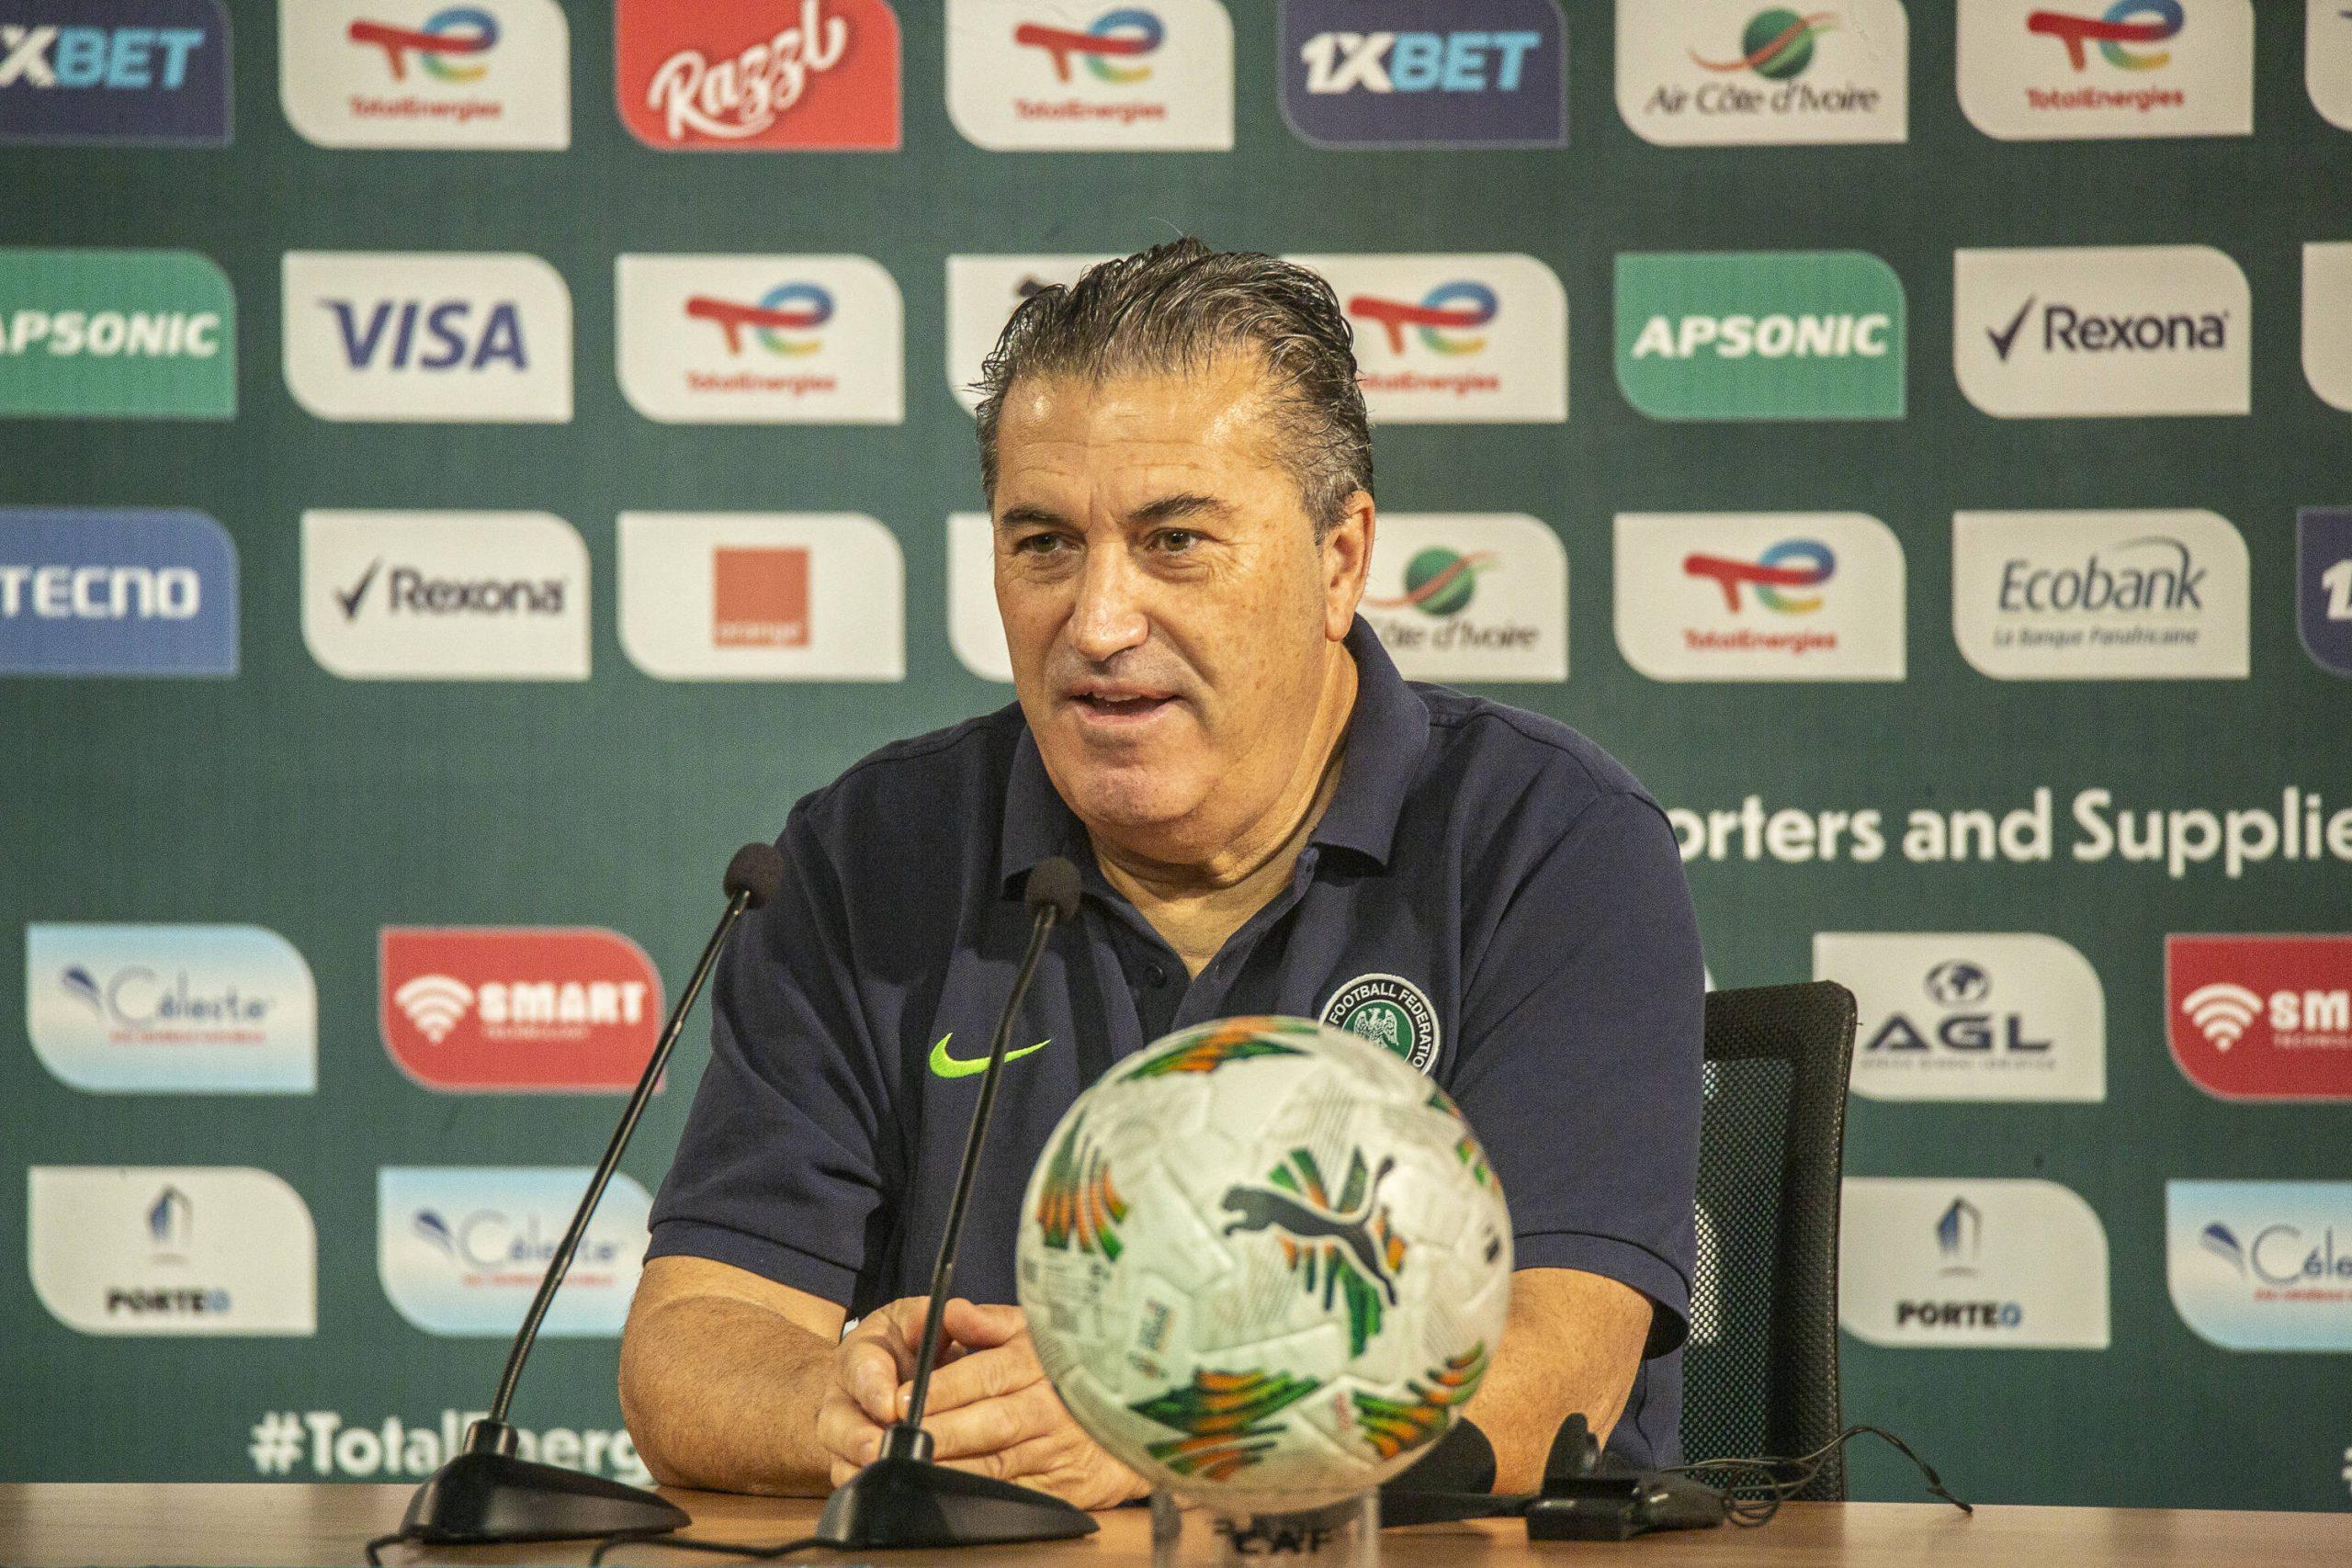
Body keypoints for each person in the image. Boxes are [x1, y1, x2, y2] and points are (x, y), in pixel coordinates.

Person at [617, 240, 1703, 1506]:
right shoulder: (866, 858)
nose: (1098, 620)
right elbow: (690, 1349)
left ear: (1340, 562)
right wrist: (848, 1409)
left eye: (1174, 540)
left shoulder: (1548, 840)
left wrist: (1155, 1427)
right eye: (1043, 544)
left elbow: (1548, 1380)